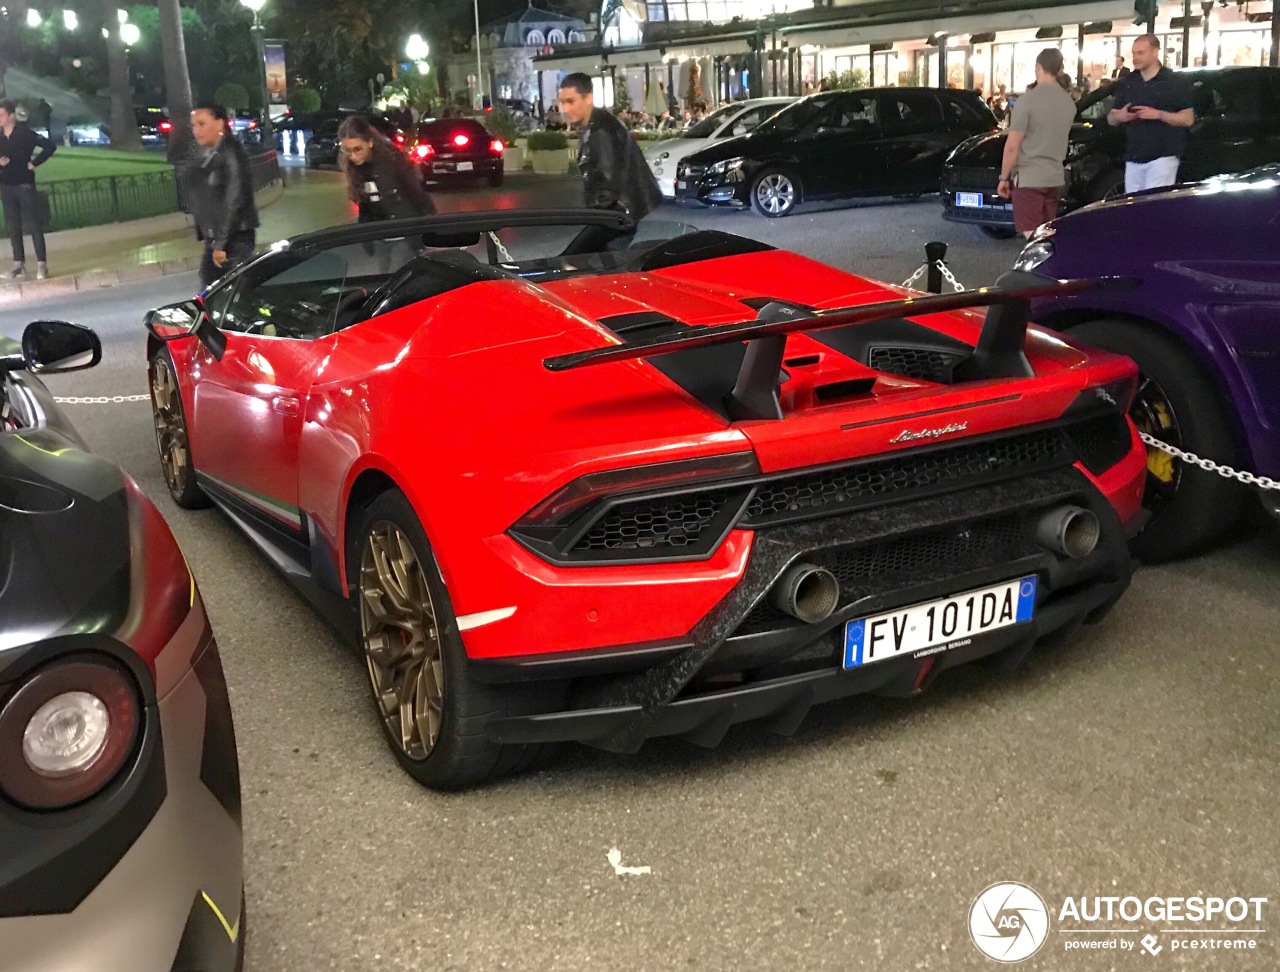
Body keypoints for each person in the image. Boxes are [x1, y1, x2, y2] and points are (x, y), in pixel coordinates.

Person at [557, 72, 661, 227]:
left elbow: (607, 188)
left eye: (571, 101)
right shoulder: (600, 125)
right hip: (631, 215)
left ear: (588, 98)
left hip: (625, 219)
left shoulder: (600, 131)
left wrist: (599, 221)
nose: (565, 109)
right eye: (562, 102)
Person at [997, 49, 1077, 239]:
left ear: (1038, 67)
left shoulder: (1027, 101)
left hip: (1030, 177)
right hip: (1056, 177)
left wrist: (1003, 177)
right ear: (1059, 69)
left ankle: (1044, 268)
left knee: (1034, 238)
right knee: (1047, 234)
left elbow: (1012, 145)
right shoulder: (1068, 103)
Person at [181, 103, 259, 287]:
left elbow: (233, 199)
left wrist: (220, 244)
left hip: (232, 240)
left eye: (201, 124)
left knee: (227, 293)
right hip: (220, 239)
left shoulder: (230, 155)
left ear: (219, 124)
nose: (196, 130)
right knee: (214, 294)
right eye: (194, 125)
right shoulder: (213, 154)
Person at [1107, 34, 1195, 193]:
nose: (1135, 58)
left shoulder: (1173, 82)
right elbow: (1111, 117)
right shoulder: (1128, 82)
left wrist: (1159, 115)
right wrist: (1120, 116)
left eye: (1141, 53)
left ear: (1155, 52)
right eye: (1133, 53)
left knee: (1154, 206)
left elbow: (1188, 119)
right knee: (1133, 207)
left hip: (1163, 156)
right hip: (1134, 157)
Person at [337, 115, 435, 222]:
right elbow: (365, 210)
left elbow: (418, 196)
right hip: (379, 231)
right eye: (347, 151)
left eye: (358, 149)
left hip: (408, 226)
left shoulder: (395, 161)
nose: (353, 156)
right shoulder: (354, 170)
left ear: (370, 142)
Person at [0, 98, 57, 280]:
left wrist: (34, 163)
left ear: (10, 116)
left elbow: (49, 146)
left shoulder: (24, 134)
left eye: (1, 115)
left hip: (24, 184)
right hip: (7, 186)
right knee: (13, 226)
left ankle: (42, 264)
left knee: (33, 224)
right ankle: (19, 264)